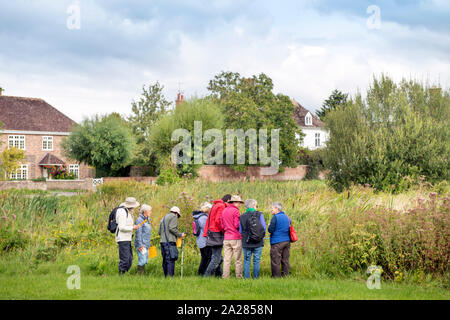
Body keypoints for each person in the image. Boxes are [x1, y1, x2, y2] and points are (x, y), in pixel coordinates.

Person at [203, 194, 232, 277]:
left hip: (211, 232)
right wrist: (224, 230)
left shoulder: (216, 205)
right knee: (216, 258)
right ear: (228, 201)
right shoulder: (221, 206)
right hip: (216, 233)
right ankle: (207, 276)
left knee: (218, 257)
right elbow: (218, 221)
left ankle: (218, 275)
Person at [239, 199, 266, 279]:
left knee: (247, 261)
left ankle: (246, 278)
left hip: (246, 242)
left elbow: (240, 230)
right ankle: (256, 278)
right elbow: (264, 227)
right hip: (258, 242)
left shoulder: (242, 216)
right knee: (256, 261)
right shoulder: (259, 214)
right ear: (254, 205)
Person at [158, 206, 186, 277]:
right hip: (170, 242)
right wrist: (180, 234)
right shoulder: (174, 216)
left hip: (162, 242)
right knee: (171, 260)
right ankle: (170, 277)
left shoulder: (163, 218)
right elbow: (172, 228)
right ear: (176, 213)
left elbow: (159, 232)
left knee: (165, 260)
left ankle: (166, 277)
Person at [221, 195, 244, 279]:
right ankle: (239, 276)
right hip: (236, 237)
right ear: (235, 202)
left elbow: (222, 225)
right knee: (238, 260)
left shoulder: (224, 210)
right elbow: (236, 224)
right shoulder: (236, 211)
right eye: (239, 203)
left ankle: (225, 276)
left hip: (226, 237)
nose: (240, 204)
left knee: (227, 259)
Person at [116, 197, 140, 275]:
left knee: (130, 259)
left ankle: (124, 274)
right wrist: (133, 227)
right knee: (125, 259)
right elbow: (121, 227)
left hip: (128, 238)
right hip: (123, 239)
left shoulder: (128, 212)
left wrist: (132, 226)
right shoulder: (122, 212)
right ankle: (121, 275)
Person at [268, 202, 291, 277]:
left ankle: (276, 277)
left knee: (275, 260)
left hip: (277, 241)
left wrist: (269, 225)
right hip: (287, 241)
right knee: (285, 260)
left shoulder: (275, 217)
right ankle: (286, 275)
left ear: (277, 209)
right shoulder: (287, 217)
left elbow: (270, 230)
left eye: (272, 208)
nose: (271, 209)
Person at [192, 202, 212, 276]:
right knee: (207, 258)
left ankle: (201, 273)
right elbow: (207, 230)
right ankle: (203, 273)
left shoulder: (198, 217)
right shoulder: (204, 218)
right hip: (205, 241)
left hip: (200, 241)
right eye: (210, 209)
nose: (211, 210)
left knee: (204, 258)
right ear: (207, 209)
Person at [134, 204, 152, 275]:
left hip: (146, 244)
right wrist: (140, 245)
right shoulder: (139, 220)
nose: (151, 212)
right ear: (145, 211)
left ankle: (142, 276)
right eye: (150, 211)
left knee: (145, 261)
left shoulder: (147, 220)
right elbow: (138, 233)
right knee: (142, 261)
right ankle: (139, 276)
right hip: (141, 244)